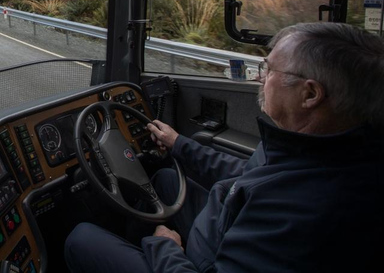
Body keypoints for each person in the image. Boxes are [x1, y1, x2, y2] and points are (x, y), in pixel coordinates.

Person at [65, 22, 384, 272]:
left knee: (80, 239)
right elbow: (248, 174)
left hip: (205, 260)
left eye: (270, 70)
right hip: (224, 230)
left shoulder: (306, 210)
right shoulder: (317, 148)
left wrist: (168, 250)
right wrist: (179, 144)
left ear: (310, 94)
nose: (261, 79)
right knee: (164, 182)